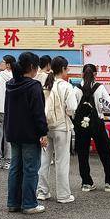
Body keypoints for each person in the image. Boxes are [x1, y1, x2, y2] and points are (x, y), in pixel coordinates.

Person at [5, 52, 49, 214]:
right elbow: (38, 112)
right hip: (30, 134)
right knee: (30, 168)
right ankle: (29, 204)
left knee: (15, 168)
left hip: (13, 132)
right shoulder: (34, 86)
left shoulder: (10, 84)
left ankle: (13, 203)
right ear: (32, 67)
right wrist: (43, 132)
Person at [73, 64, 110, 193]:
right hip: (97, 123)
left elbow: (72, 107)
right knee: (105, 151)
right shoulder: (99, 88)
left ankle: (86, 183)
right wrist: (99, 106)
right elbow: (109, 106)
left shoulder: (77, 89)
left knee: (83, 153)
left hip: (81, 125)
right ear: (95, 74)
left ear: (82, 74)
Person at [37, 56, 79, 204]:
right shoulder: (66, 86)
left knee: (44, 160)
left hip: (46, 126)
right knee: (62, 161)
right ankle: (63, 195)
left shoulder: (46, 84)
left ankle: (42, 191)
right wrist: (67, 112)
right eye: (67, 68)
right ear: (63, 69)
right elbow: (72, 107)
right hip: (62, 127)